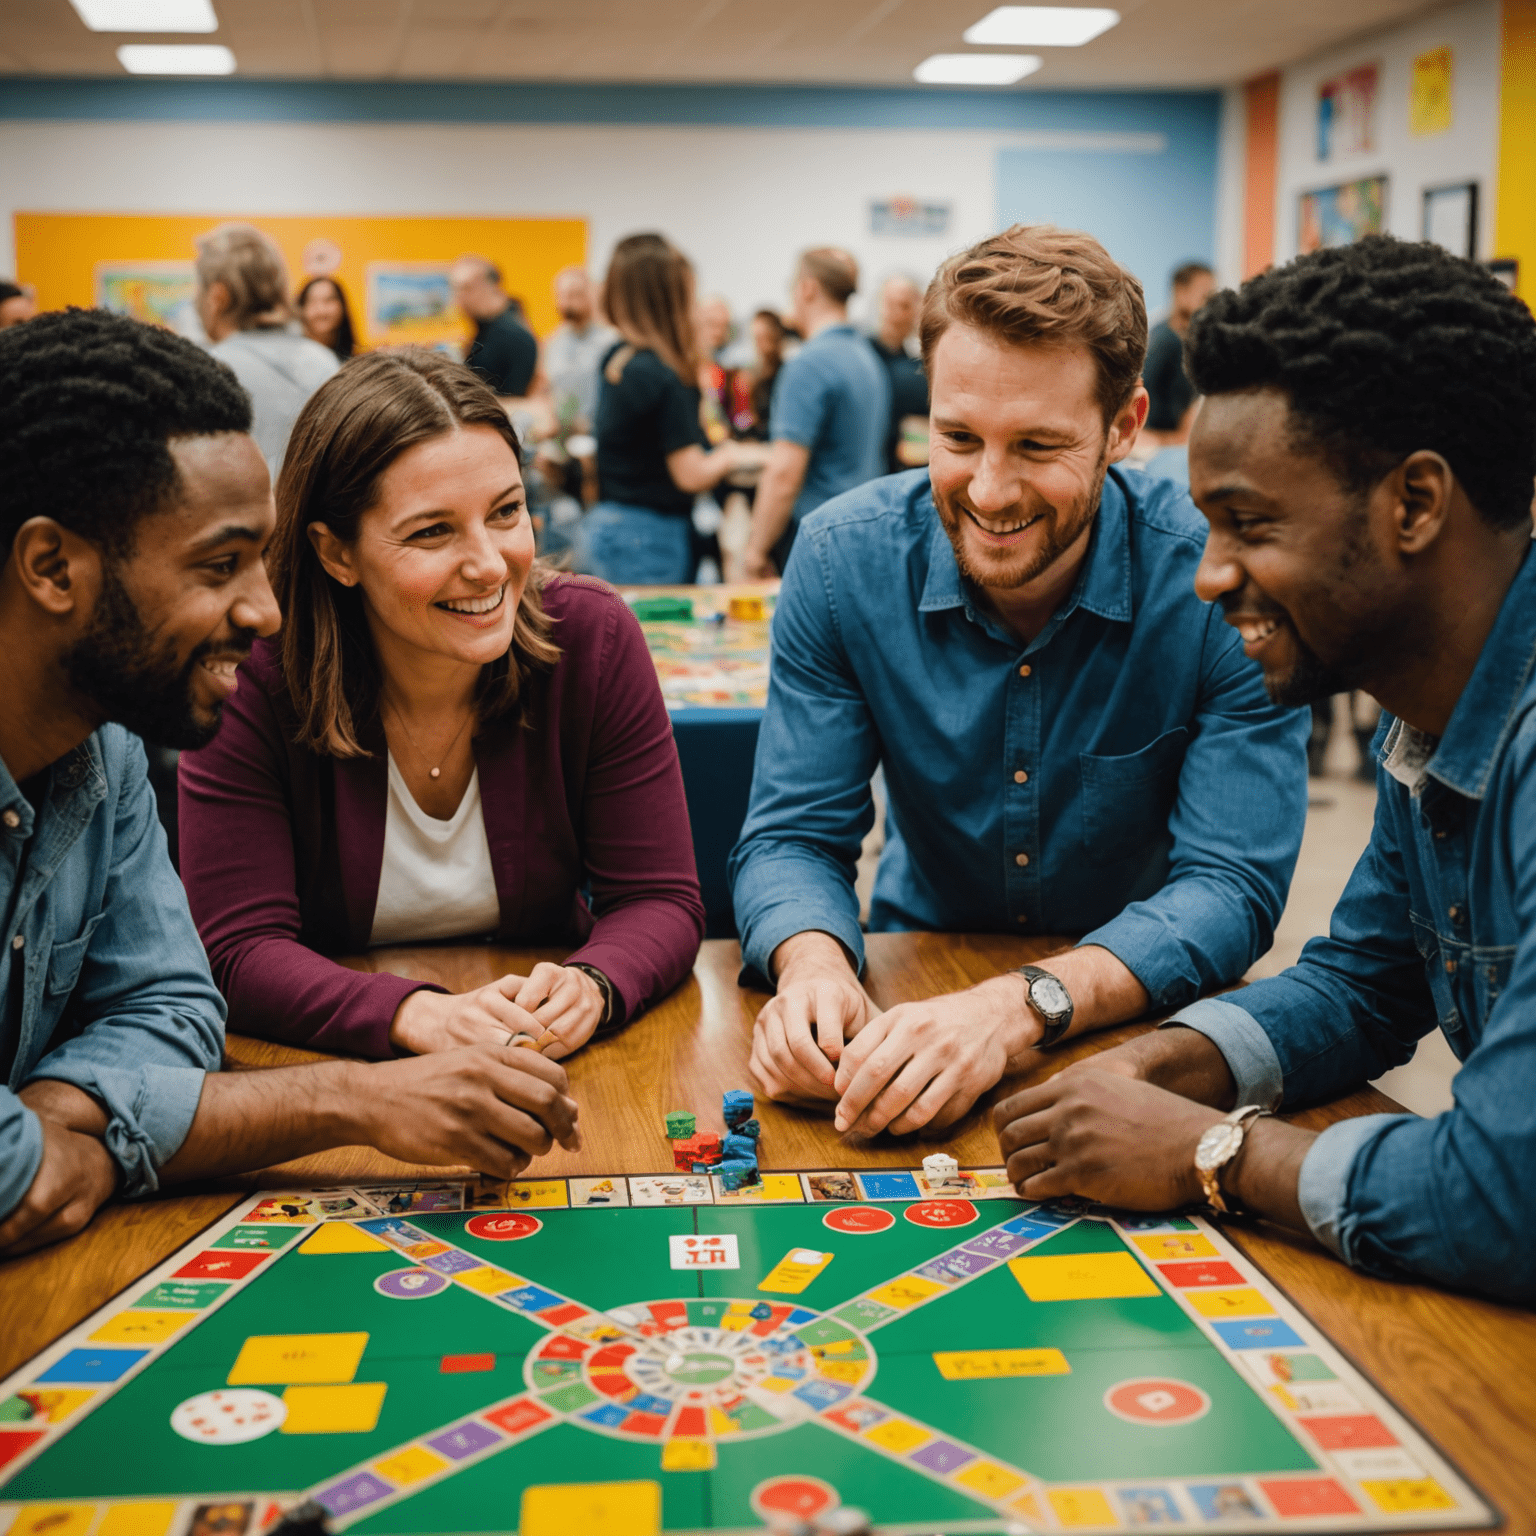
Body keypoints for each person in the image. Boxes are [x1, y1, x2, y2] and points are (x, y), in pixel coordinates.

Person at [993, 236, 1536, 1305]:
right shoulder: (1430, 714)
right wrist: (1163, 1063)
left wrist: (1212, 1152)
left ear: (1415, 505)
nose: (1208, 577)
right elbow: (1367, 982)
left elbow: (1505, 1195)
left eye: (1249, 525)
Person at [0, 310, 578, 1257]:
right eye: (220, 566)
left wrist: (68, 1116)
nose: (265, 612)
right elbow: (14, 1173)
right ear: (53, 567)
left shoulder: (106, 747)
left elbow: (174, 1011)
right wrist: (351, 1095)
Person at [728, 224, 1309, 1138]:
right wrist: (812, 968)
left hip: (1143, 1022)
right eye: (959, 437)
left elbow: (1232, 885)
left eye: (1038, 445)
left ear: (1124, 427)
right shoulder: (843, 562)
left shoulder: (1214, 581)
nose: (990, 491)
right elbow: (793, 835)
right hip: (908, 995)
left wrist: (1018, 1006)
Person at [179, 348, 704, 1059]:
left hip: (549, 1057)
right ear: (337, 554)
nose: (489, 564)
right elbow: (236, 949)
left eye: (507, 511)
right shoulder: (254, 671)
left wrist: (594, 981)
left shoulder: (594, 637)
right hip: (335, 1073)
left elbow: (661, 899)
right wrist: (420, 1015)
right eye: (433, 531)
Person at [587, 233, 742, 585]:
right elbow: (690, 474)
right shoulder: (664, 374)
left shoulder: (618, 358)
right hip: (650, 538)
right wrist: (731, 456)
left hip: (610, 525)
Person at [743, 248, 890, 576]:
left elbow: (784, 474)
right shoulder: (867, 358)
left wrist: (755, 551)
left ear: (807, 288)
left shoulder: (809, 363)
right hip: (861, 533)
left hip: (818, 538)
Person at [194, 223, 339, 478]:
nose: (195, 300)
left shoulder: (209, 372)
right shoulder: (324, 363)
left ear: (218, 297)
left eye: (198, 290)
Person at [1141, 260, 1216, 446]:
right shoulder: (1164, 341)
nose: (1211, 303)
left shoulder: (1189, 340)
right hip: (1156, 444)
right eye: (1205, 295)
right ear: (1181, 292)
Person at [451, 255, 538, 400]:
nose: (458, 298)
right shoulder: (480, 329)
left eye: (466, 288)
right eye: (455, 289)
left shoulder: (515, 337)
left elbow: (513, 400)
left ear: (490, 287)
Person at [868, 274, 930, 473]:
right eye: (889, 305)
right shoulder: (866, 357)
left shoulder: (905, 361)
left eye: (905, 307)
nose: (894, 315)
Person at [542, 266, 616, 430]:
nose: (566, 303)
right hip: (562, 434)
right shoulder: (553, 343)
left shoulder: (610, 342)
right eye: (562, 295)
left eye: (574, 295)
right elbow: (547, 389)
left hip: (598, 431)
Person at [296, 275, 358, 361]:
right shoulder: (293, 357)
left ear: (343, 307)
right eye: (312, 301)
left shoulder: (354, 360)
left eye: (329, 300)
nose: (321, 310)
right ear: (301, 309)